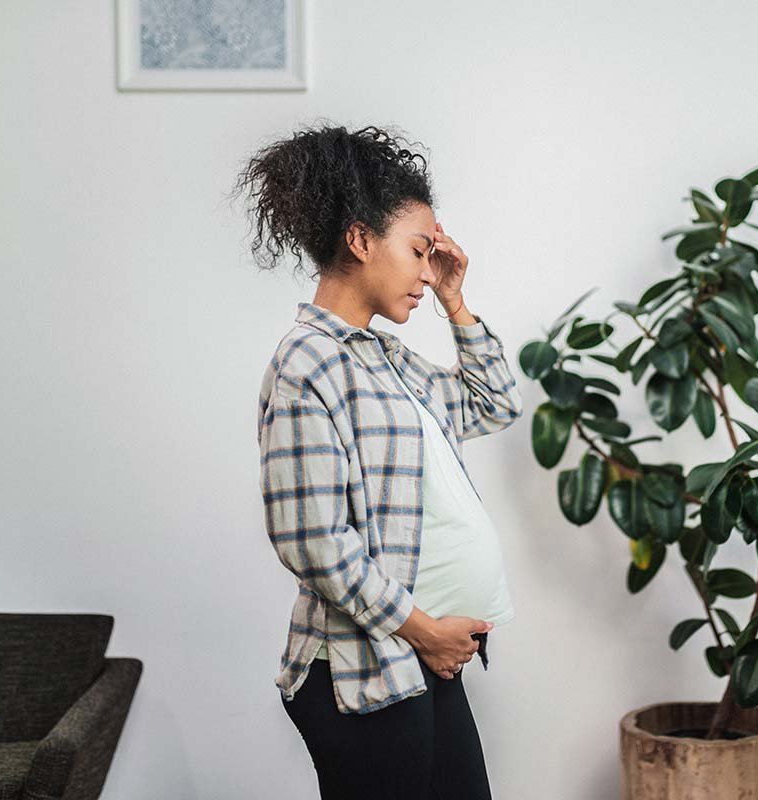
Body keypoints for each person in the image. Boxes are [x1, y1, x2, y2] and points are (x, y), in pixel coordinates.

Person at [234, 123, 524, 800]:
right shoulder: (307, 363)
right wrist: (425, 631)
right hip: (365, 665)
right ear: (361, 240)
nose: (427, 270)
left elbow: (496, 403)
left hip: (420, 656)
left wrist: (455, 300)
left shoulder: (386, 358)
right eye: (419, 251)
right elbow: (313, 540)